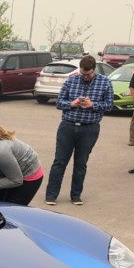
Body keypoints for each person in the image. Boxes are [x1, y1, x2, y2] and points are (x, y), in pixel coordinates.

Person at [43, 55, 114, 206]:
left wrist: (93, 105)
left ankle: (76, 196)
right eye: (83, 73)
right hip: (67, 126)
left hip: (89, 128)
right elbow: (59, 103)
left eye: (88, 74)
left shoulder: (105, 82)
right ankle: (51, 195)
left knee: (81, 163)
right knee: (59, 162)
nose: (85, 77)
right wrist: (72, 103)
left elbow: (109, 105)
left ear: (94, 70)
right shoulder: (71, 80)